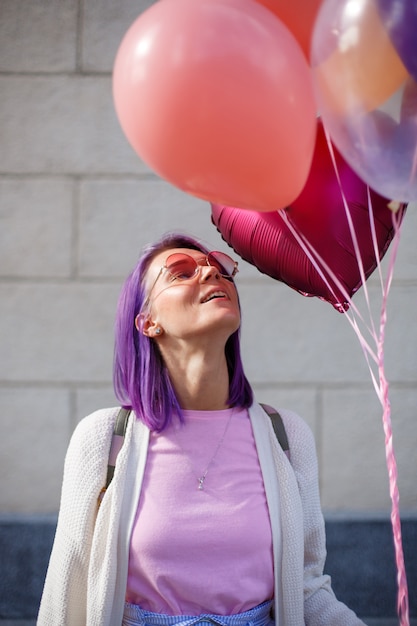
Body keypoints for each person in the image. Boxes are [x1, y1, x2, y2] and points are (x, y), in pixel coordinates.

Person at [37, 232, 366, 626]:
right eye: (180, 273)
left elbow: (308, 591)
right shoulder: (105, 439)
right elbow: (67, 591)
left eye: (221, 267)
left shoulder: (287, 437)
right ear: (148, 322)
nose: (212, 271)